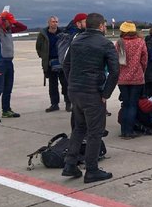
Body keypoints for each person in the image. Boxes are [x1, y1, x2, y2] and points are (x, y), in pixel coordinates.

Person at [61, 13, 119, 183]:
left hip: (75, 90)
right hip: (92, 92)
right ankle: (91, 169)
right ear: (101, 26)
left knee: (79, 128)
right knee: (95, 131)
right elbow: (115, 72)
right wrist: (105, 93)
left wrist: (72, 83)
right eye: (105, 25)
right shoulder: (105, 44)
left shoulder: (76, 41)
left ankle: (70, 164)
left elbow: (66, 64)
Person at [0, 11, 27, 123]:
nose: (12, 24)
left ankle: (6, 110)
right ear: (4, 21)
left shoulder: (9, 30)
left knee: (8, 88)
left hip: (9, 62)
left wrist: (13, 21)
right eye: (10, 22)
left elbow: (23, 27)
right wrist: (1, 17)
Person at [116, 21, 148, 139]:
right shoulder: (140, 42)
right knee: (132, 105)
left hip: (122, 78)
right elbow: (144, 59)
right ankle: (129, 131)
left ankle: (123, 130)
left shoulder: (119, 42)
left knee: (125, 104)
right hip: (137, 78)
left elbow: (115, 59)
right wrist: (141, 71)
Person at [36, 16, 70, 112]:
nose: (55, 23)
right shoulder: (43, 34)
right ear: (49, 23)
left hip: (62, 62)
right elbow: (38, 47)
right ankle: (54, 104)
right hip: (50, 63)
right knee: (52, 85)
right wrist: (44, 57)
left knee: (65, 83)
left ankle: (68, 103)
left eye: (56, 22)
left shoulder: (62, 33)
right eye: (53, 21)